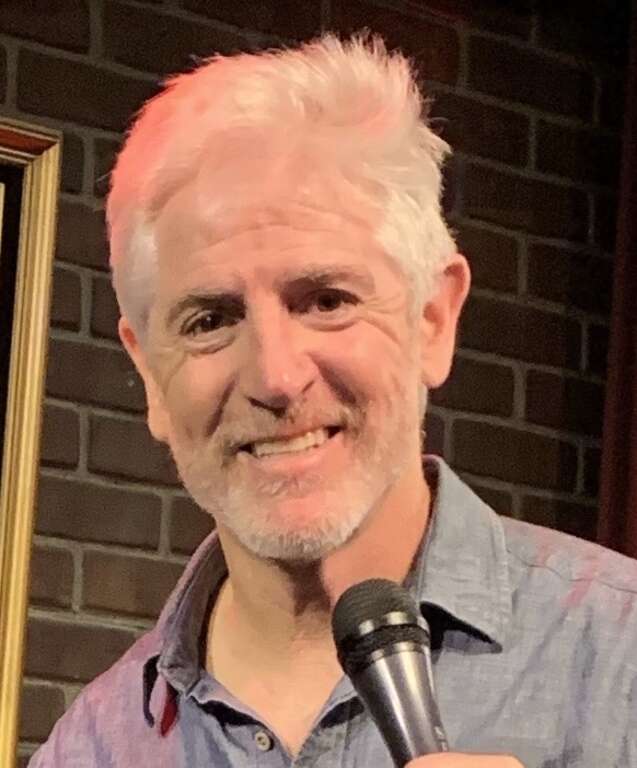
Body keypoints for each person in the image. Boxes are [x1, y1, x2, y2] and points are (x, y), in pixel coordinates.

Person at [29, 33, 636, 768]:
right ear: (151, 375)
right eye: (210, 321)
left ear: (432, 321)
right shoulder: (92, 748)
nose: (276, 378)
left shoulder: (617, 659)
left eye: (325, 299)